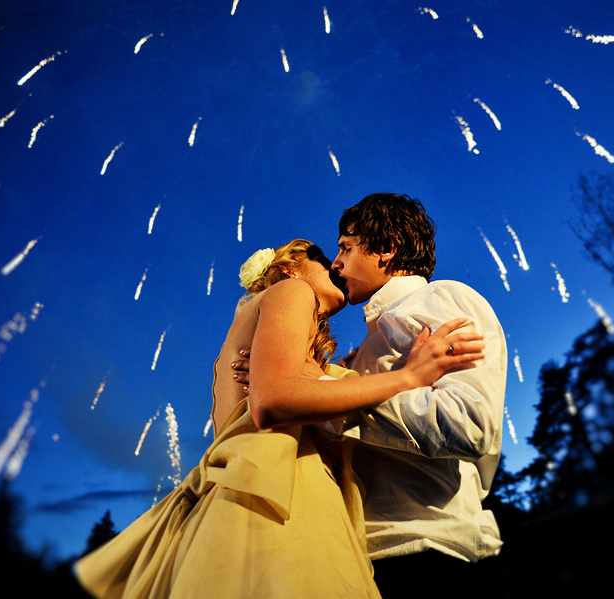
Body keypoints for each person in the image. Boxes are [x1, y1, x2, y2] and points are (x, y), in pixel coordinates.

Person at [73, 239, 485, 599]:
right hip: (288, 494)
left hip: (238, 494)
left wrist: (320, 375)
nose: (335, 265)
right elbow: (273, 400)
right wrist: (408, 377)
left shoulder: (247, 334)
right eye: (322, 257)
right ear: (290, 269)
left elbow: (234, 427)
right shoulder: (292, 290)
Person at [234, 194, 508, 596]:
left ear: (387, 248)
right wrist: (291, 379)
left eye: (346, 247)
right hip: (356, 563)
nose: (336, 263)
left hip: (427, 550)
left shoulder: (442, 299)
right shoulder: (360, 351)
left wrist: (318, 394)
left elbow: (468, 423)